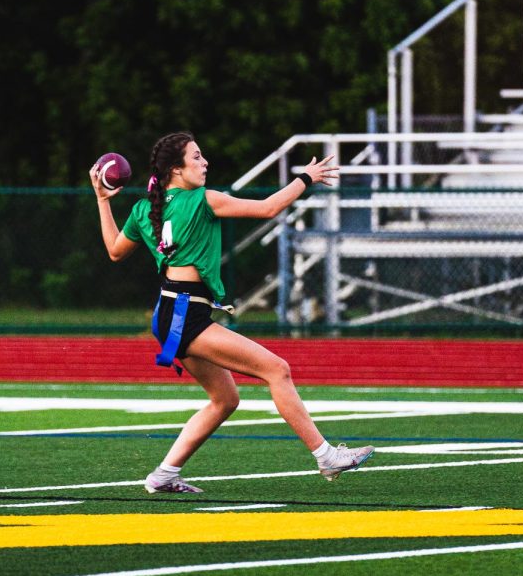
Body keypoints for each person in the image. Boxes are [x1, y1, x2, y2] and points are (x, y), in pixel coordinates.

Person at [90, 130, 373, 495]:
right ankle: (325, 456)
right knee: (277, 370)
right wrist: (306, 178)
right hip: (185, 312)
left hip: (171, 311)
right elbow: (268, 208)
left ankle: (163, 475)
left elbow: (114, 250)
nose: (204, 162)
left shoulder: (145, 208)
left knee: (226, 399)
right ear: (175, 169)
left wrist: (101, 200)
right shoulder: (204, 200)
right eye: (196, 157)